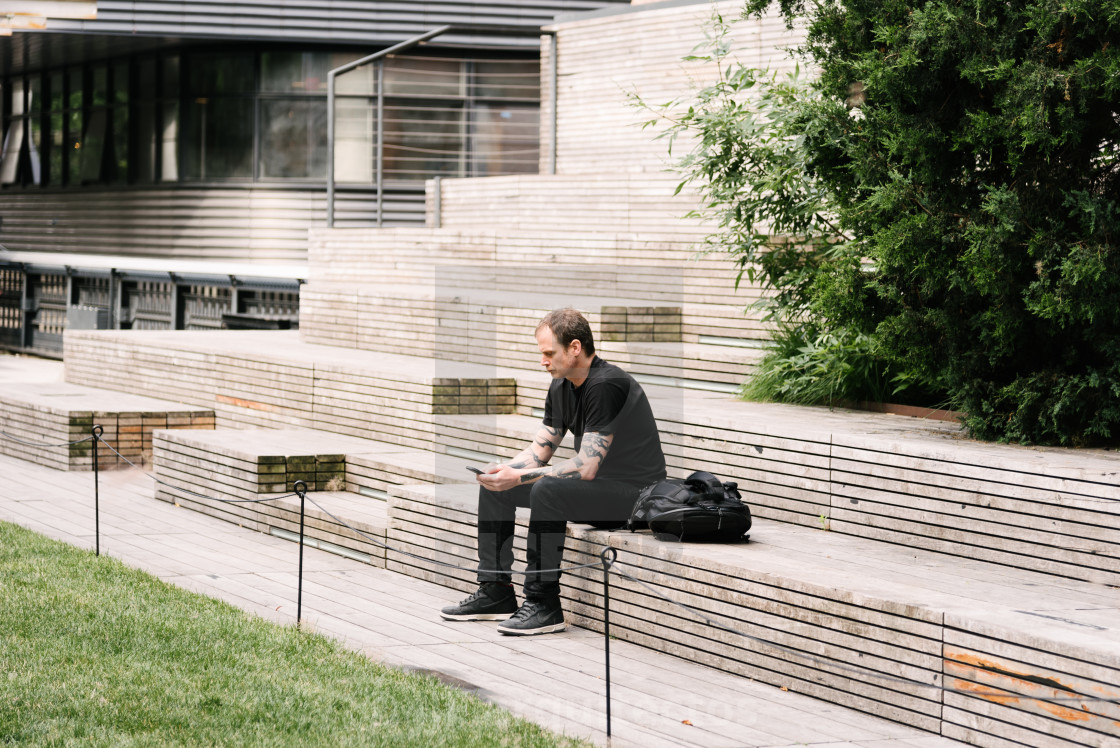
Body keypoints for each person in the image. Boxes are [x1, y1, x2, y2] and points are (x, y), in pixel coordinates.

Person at [439, 308, 666, 635]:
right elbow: (538, 452)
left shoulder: (607, 384)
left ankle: (544, 604)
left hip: (635, 497)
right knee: (496, 485)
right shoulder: (561, 385)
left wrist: (518, 477)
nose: (543, 361)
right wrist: (505, 470)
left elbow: (586, 467)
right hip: (596, 491)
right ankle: (495, 591)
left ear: (575, 347)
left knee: (547, 488)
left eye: (549, 353)